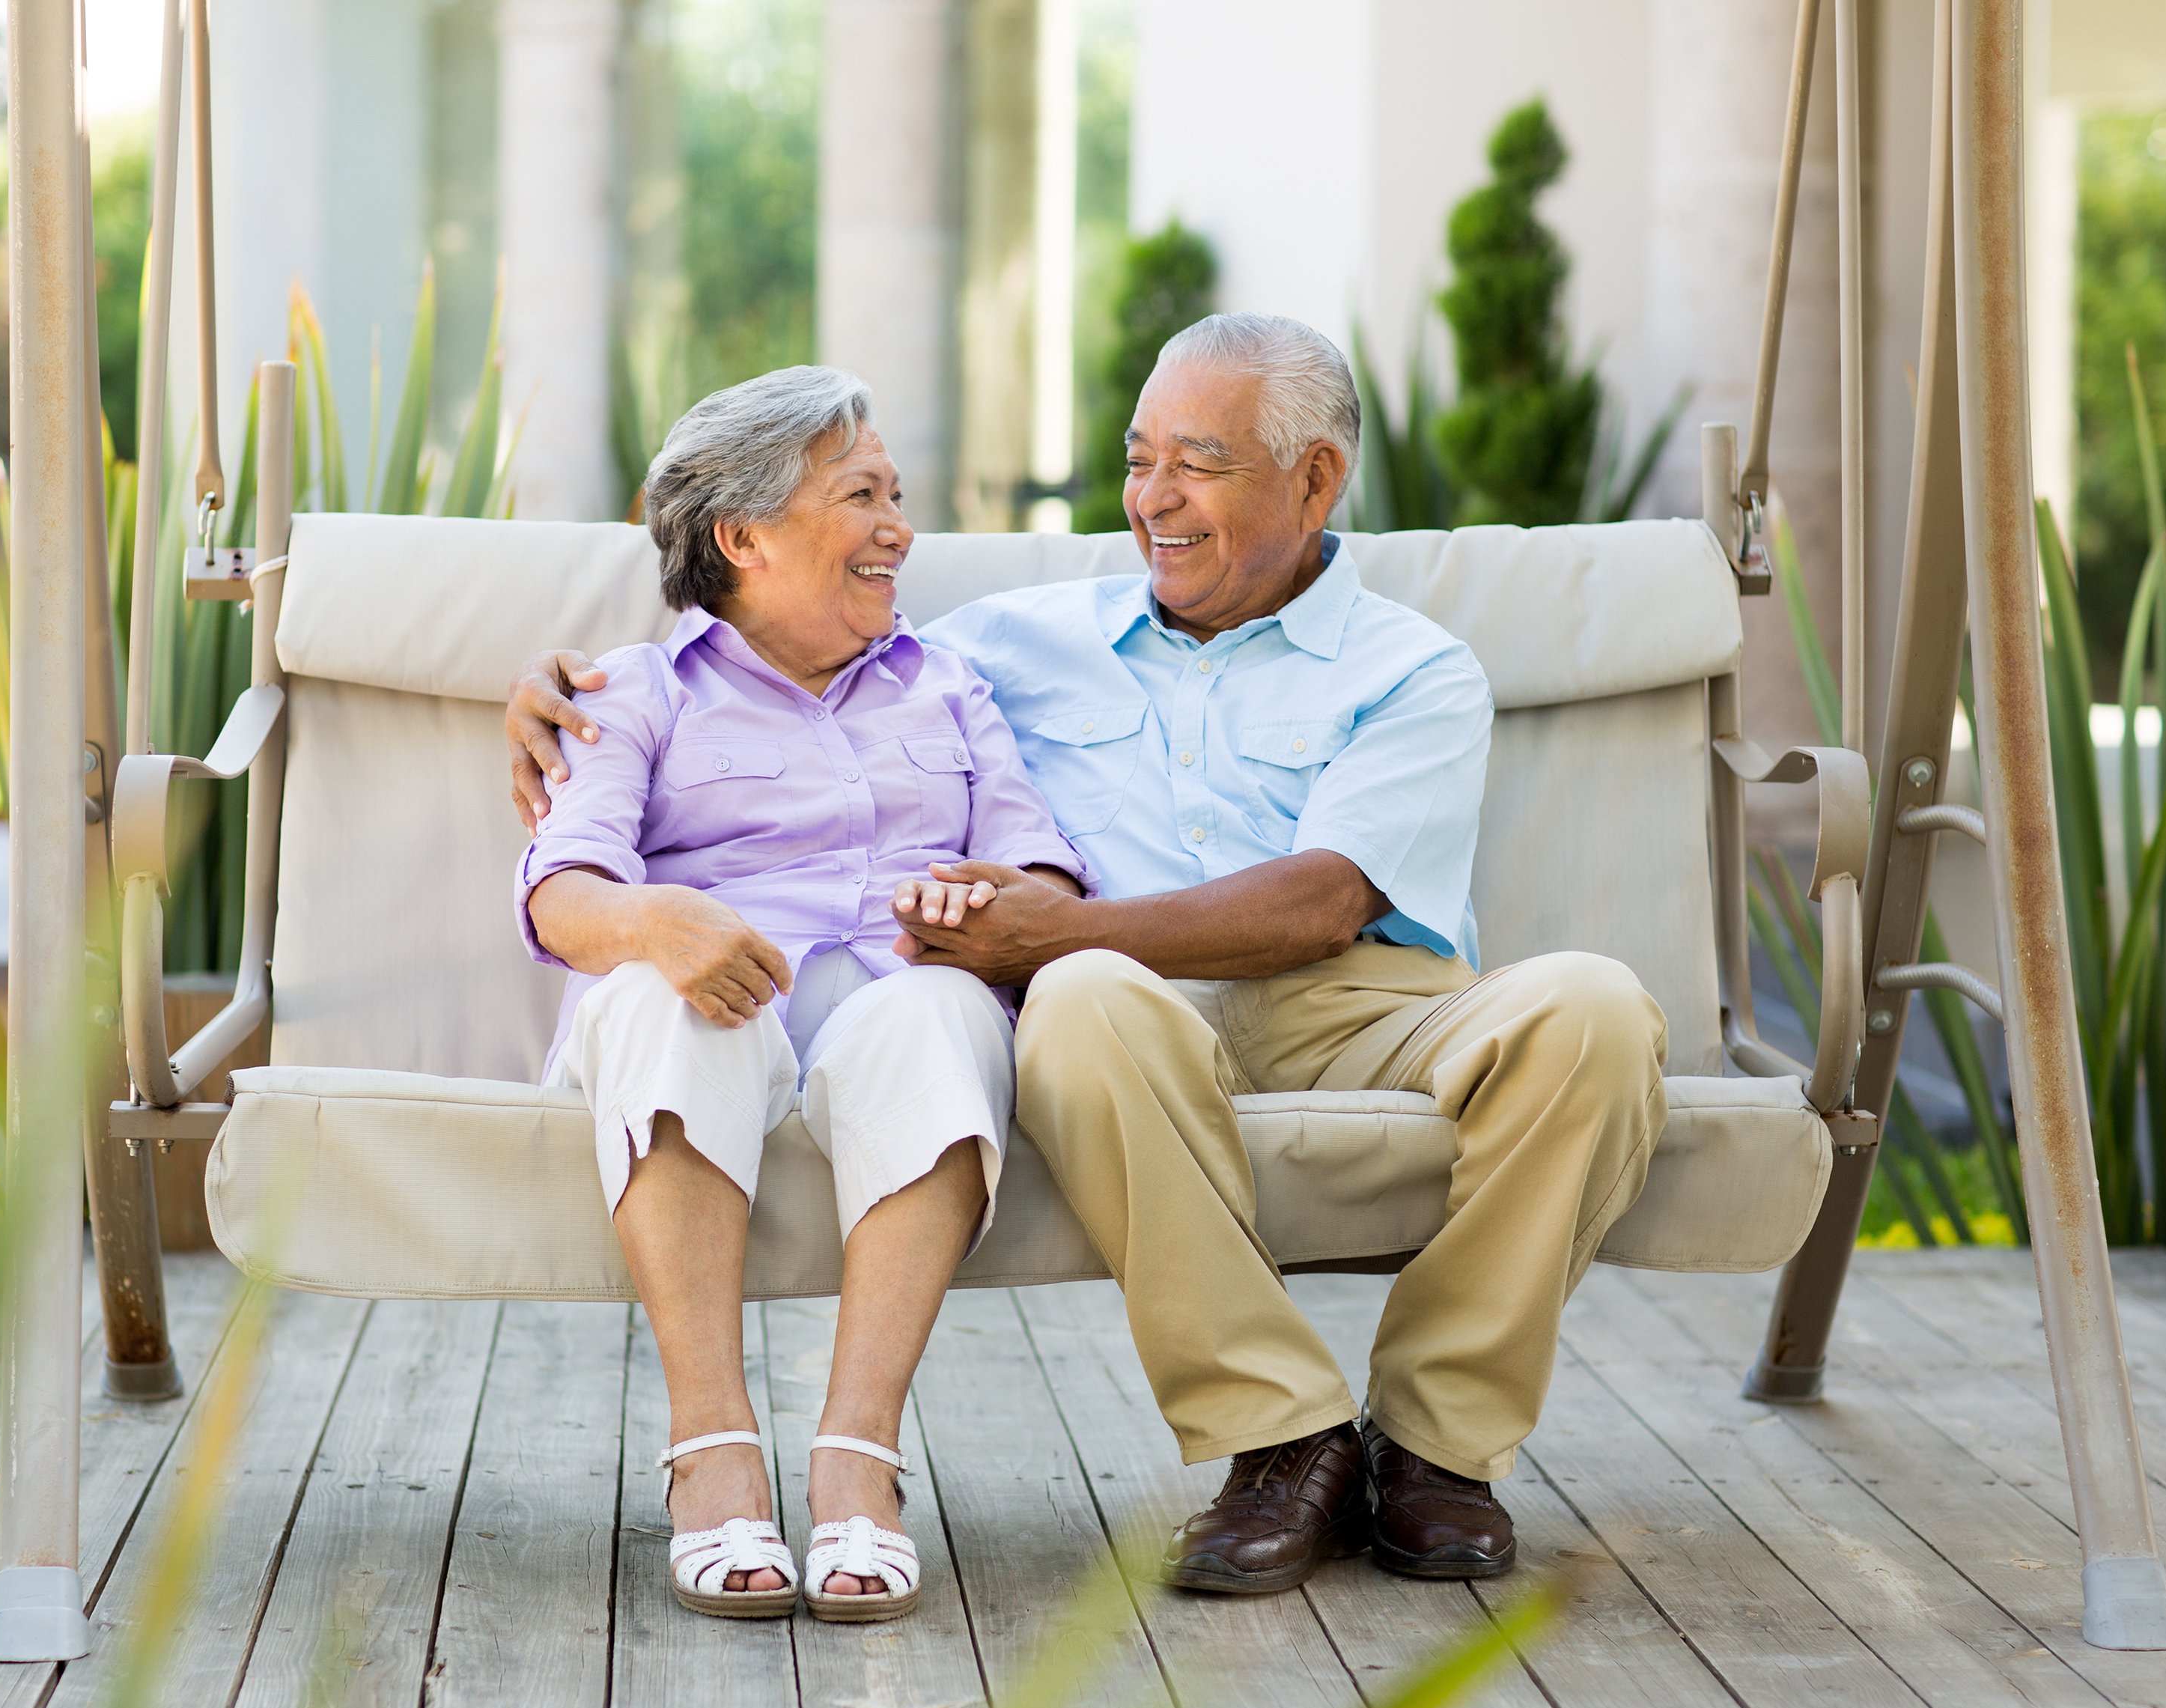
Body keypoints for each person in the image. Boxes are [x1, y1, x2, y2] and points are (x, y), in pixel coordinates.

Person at [508, 315, 1666, 1597]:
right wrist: (556, 701)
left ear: (1317, 479)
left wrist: (1049, 922)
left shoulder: (1414, 670)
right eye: (1138, 458)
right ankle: (1280, 1437)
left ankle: (1439, 1447)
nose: (1152, 500)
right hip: (1122, 1012)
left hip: (1354, 1003)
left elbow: (1320, 900)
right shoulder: (1003, 642)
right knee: (1072, 1001)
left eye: (1198, 463)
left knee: (1596, 1007)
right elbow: (757, 659)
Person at [514, 365, 1085, 1622]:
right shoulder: (638, 692)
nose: (900, 528)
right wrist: (658, 919)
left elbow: (1040, 863)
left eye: (896, 494)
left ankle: (855, 1460)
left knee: (943, 1011)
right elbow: (563, 893)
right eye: (863, 495)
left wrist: (989, 908)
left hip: (895, 1006)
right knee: (669, 996)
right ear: (744, 537)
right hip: (710, 1013)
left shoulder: (949, 685)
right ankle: (711, 1451)